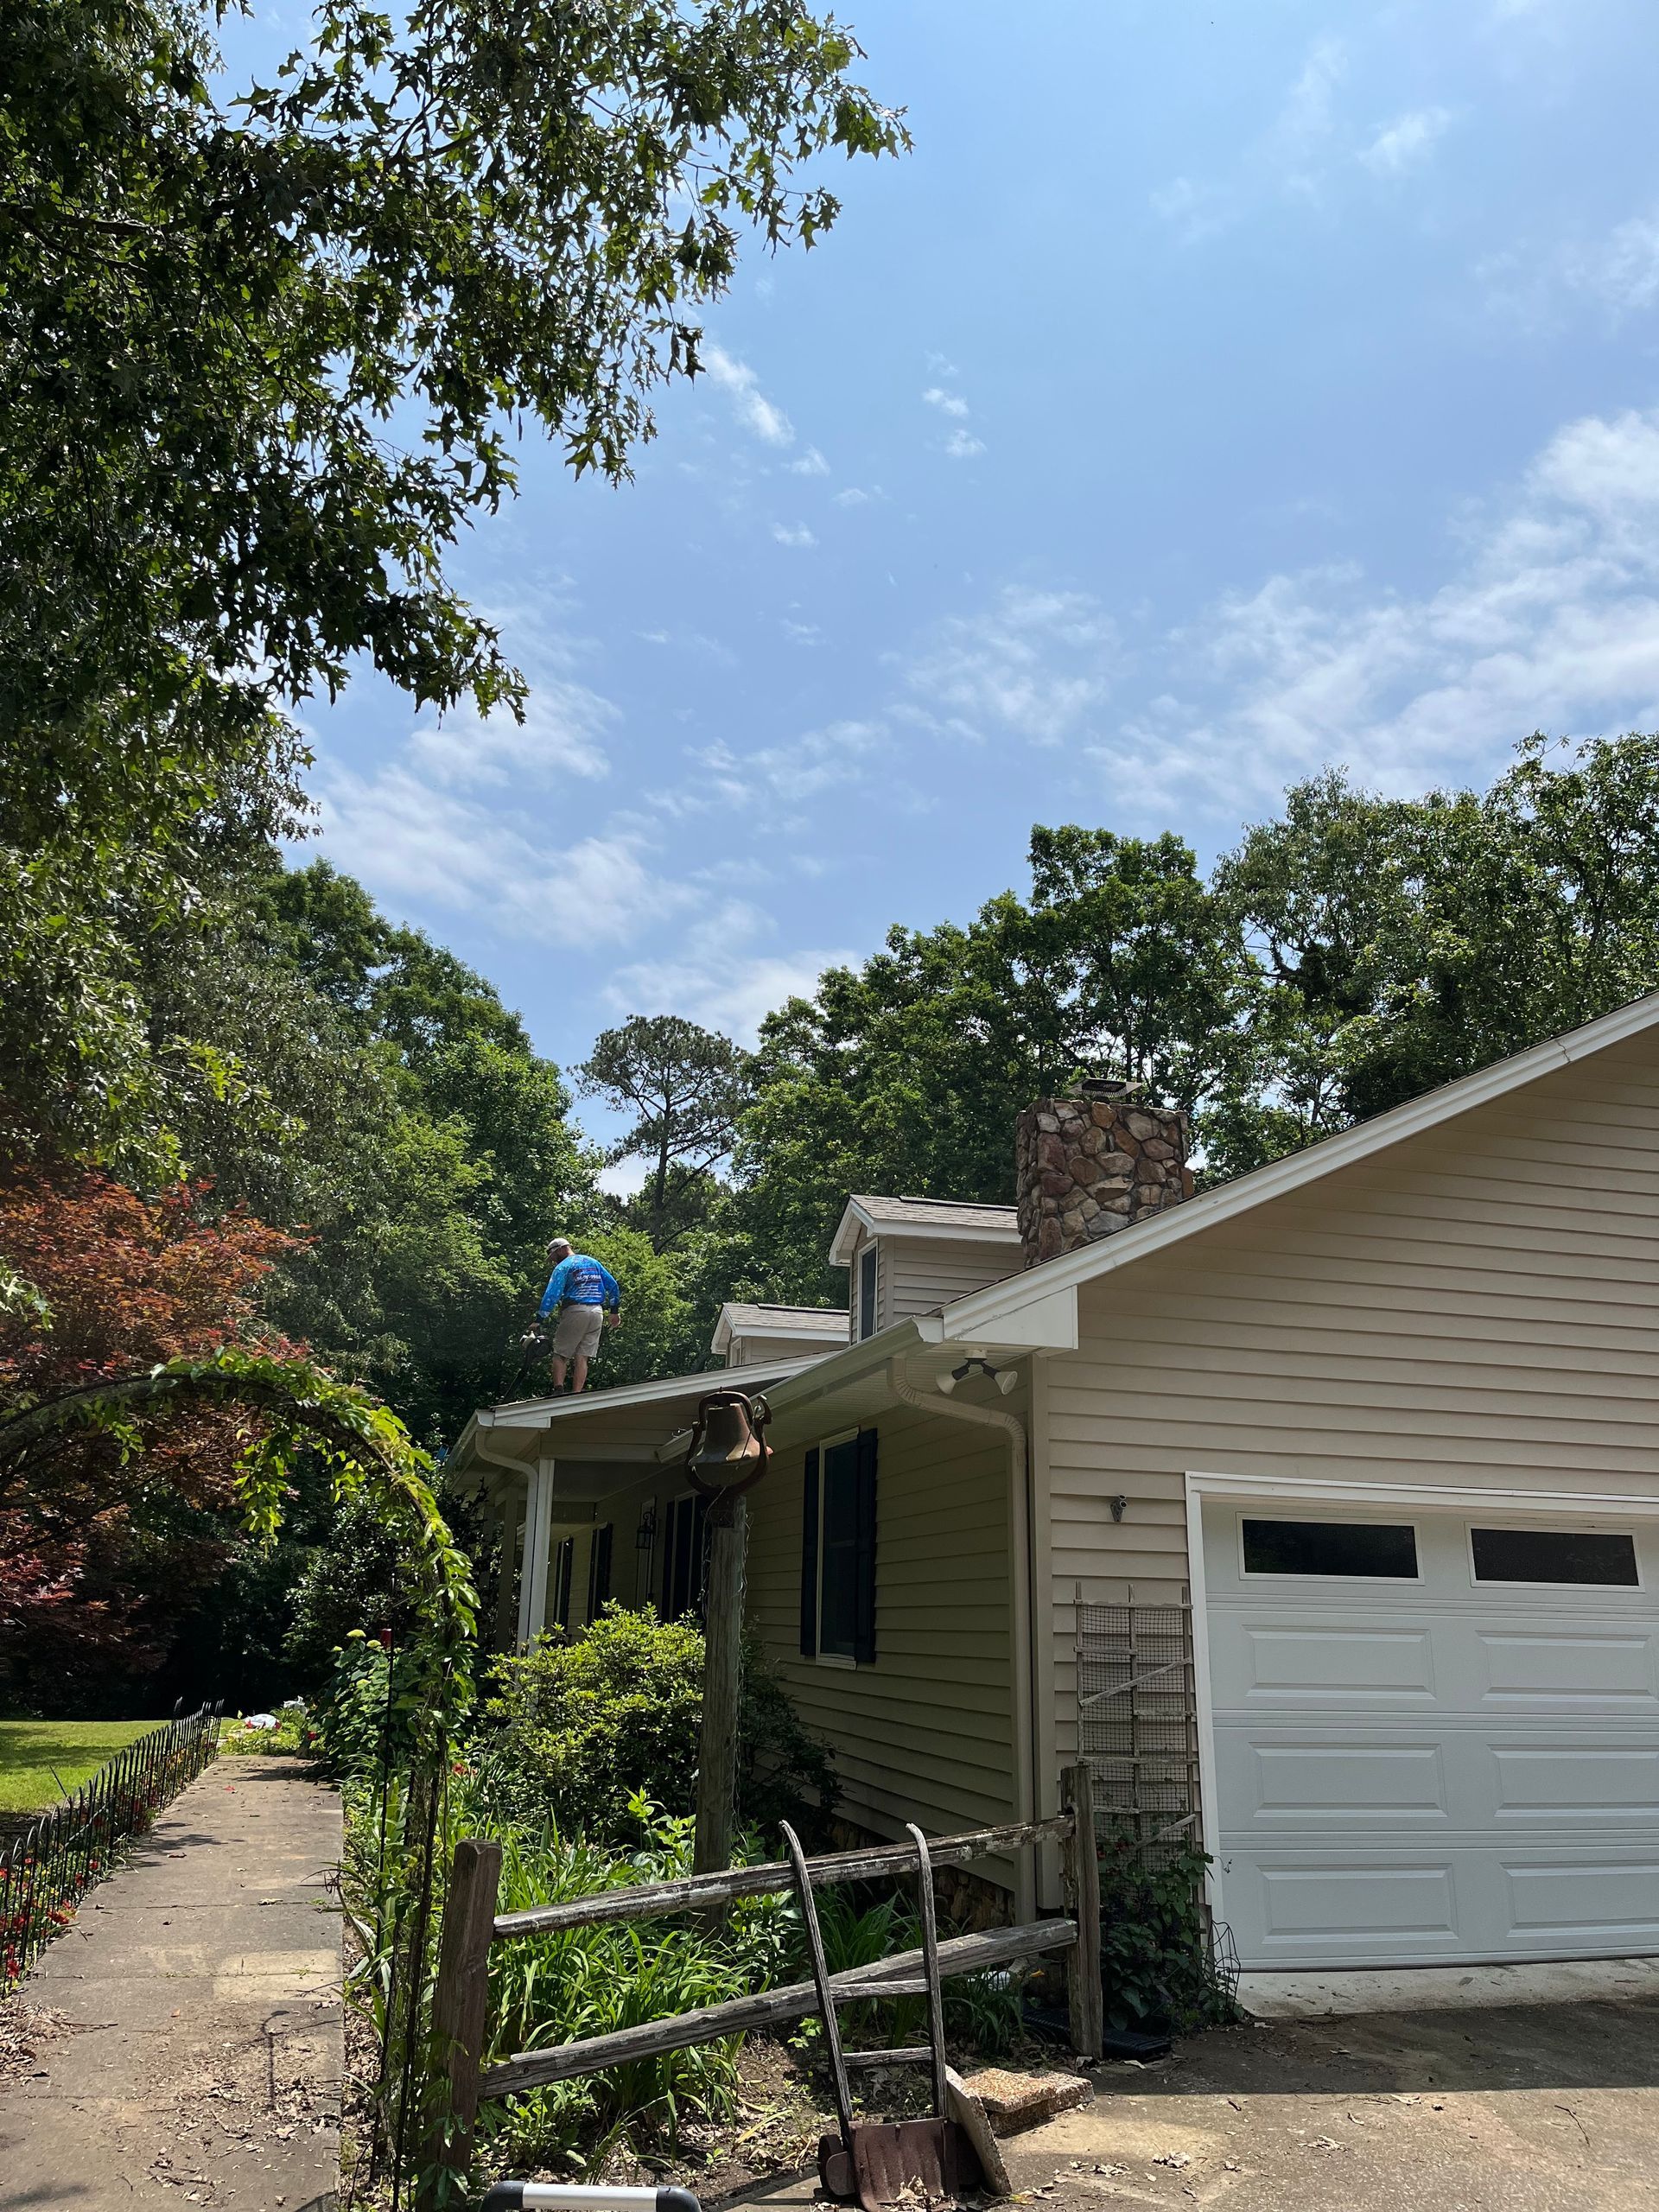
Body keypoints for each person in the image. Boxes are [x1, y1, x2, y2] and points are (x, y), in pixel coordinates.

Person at [533, 1236, 621, 1394]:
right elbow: (613, 1285)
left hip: (575, 1311)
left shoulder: (564, 1267)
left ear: (561, 1250)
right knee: (582, 1356)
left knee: (560, 1354)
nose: (554, 1261)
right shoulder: (593, 1263)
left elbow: (552, 1294)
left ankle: (558, 1390)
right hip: (597, 1312)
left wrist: (539, 1319)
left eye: (553, 1256)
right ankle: (576, 1394)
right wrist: (614, 1311)